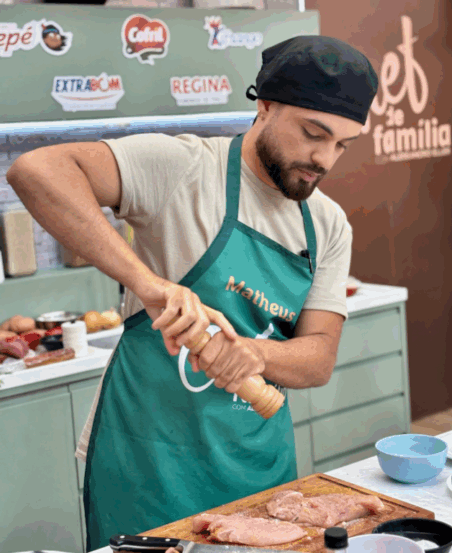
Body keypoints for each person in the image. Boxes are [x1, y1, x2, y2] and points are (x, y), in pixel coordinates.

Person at [6, 35, 378, 550]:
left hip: (256, 462)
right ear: (266, 107)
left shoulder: (327, 224)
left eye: (342, 145)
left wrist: (254, 355)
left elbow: (317, 359)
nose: (324, 159)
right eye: (313, 133)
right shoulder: (183, 167)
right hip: (147, 463)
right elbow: (34, 171)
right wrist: (149, 284)